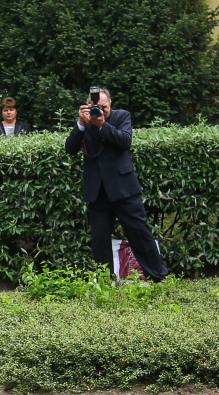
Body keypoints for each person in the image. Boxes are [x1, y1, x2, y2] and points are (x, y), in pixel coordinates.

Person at [64, 88, 169, 282]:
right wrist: (81, 123)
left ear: (110, 105)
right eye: (95, 107)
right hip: (97, 191)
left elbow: (125, 141)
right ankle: (105, 282)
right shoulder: (85, 121)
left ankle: (159, 277)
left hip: (124, 189)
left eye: (104, 107)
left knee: (140, 234)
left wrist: (102, 125)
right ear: (88, 106)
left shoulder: (122, 116)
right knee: (100, 240)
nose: (100, 110)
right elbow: (70, 148)